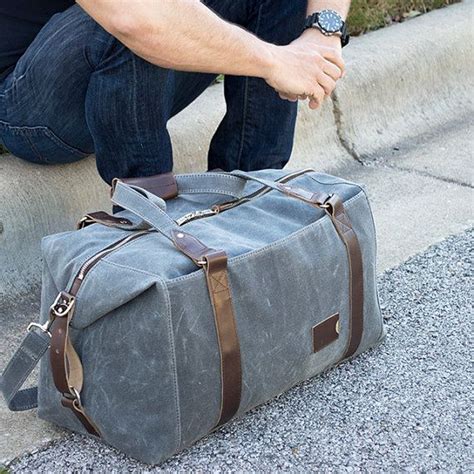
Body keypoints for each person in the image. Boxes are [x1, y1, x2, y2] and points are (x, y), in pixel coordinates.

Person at [0, 0, 351, 184]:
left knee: (162, 13)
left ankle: (251, 194)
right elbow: (134, 17)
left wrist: (323, 33)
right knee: (147, 12)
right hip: (30, 107)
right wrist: (275, 61)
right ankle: (150, 227)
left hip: (119, 57)